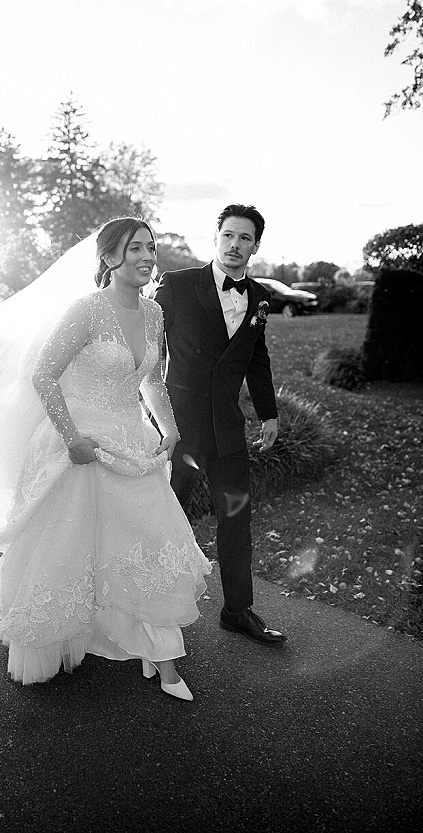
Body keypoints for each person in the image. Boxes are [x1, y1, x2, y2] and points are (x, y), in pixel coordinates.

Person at [0, 217, 211, 700]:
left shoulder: (153, 315)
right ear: (108, 258)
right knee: (70, 547)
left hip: (132, 442)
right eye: (135, 249)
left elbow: (151, 379)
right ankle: (65, 642)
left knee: (147, 543)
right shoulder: (85, 311)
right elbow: (44, 376)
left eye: (151, 248)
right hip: (81, 445)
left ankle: (157, 652)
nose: (148, 257)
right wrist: (71, 439)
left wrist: (170, 429)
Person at [154, 204, 287, 646]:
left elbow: (257, 358)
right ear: (216, 238)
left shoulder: (260, 297)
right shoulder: (176, 286)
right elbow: (145, 350)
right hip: (179, 428)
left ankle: (236, 610)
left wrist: (268, 413)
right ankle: (146, 608)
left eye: (245, 238)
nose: (235, 245)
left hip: (228, 429)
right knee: (163, 516)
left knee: (236, 518)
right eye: (229, 235)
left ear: (255, 246)